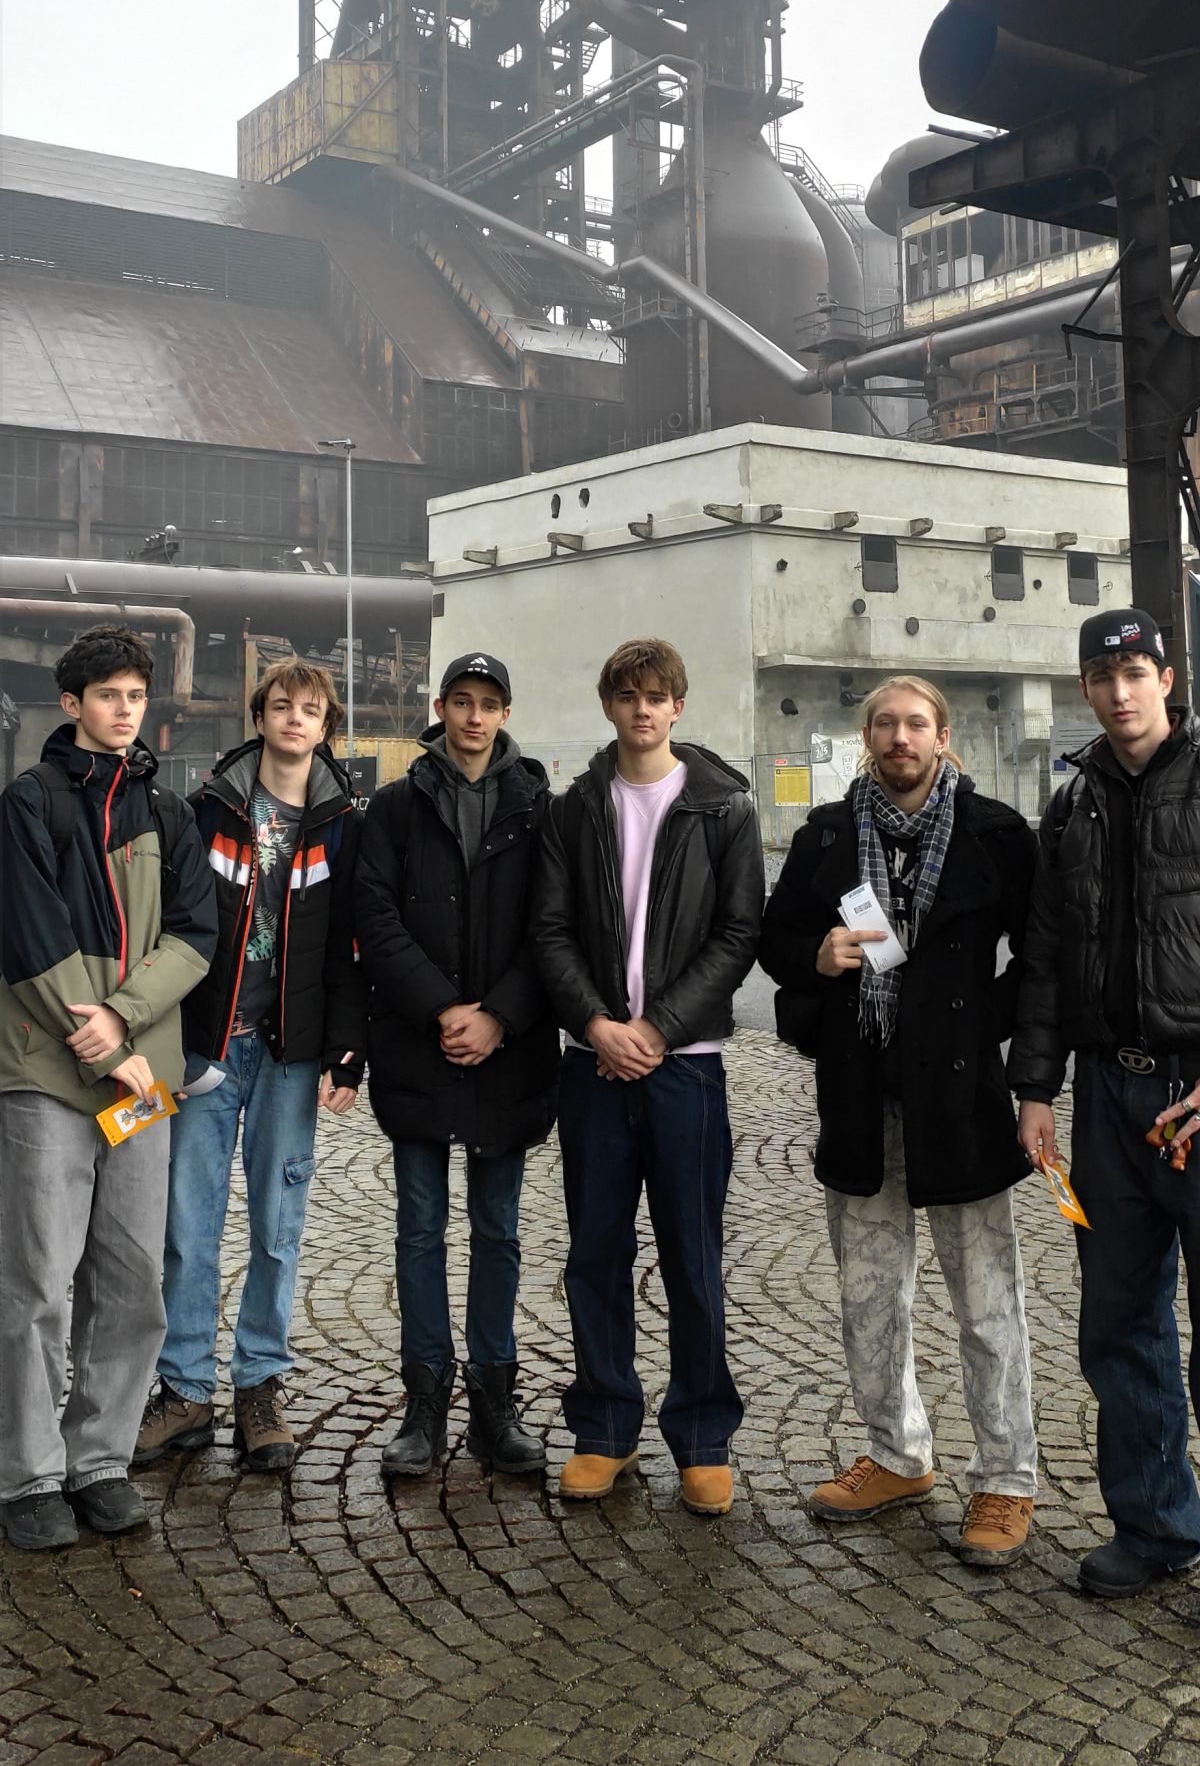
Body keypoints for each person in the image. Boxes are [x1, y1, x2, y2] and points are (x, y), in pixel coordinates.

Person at [759, 675, 1039, 1567]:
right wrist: (816, 955)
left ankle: (1007, 1475)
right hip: (861, 1095)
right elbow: (775, 939)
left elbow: (1041, 958)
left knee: (987, 1302)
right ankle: (897, 1454)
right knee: (870, 1297)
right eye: (884, 723)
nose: (900, 737)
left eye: (916, 723)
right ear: (867, 736)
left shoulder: (997, 833)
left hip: (960, 1101)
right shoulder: (828, 833)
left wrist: (977, 1022)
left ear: (943, 736)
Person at [533, 637, 764, 1517]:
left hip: (686, 1068)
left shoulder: (723, 808)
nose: (642, 709)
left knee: (692, 1256)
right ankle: (605, 1427)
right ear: (609, 705)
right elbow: (549, 929)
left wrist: (659, 1028)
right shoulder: (574, 808)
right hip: (592, 1064)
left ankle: (703, 1437)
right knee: (595, 1251)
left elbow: (738, 933)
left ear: (677, 707)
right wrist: (597, 1024)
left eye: (655, 696)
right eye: (627, 695)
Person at [0, 626, 216, 1549]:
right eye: (108, 694)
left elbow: (197, 933)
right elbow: (26, 933)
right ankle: (26, 1474)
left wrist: (125, 1020)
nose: (125, 709)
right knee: (38, 1281)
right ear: (73, 702)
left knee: (131, 1279)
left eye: (135, 694)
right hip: (46, 1072)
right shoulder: (27, 801)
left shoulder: (167, 811)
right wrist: (97, 1037)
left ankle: (99, 1460)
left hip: (139, 1071)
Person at [134, 659, 365, 1475]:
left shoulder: (343, 824)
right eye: (282, 704)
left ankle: (259, 1386)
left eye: (311, 708)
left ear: (326, 725)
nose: (295, 718)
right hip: (207, 1048)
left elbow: (350, 946)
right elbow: (174, 926)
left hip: (289, 1053)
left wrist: (347, 1052)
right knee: (187, 1224)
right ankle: (185, 1389)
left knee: (277, 1227)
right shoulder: (209, 807)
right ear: (260, 715)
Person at [1010, 607, 1200, 1597]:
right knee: (1119, 1322)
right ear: (1085, 687)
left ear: (1167, 678)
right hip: (1107, 1097)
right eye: (1102, 675)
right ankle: (1157, 1526)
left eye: (1135, 671)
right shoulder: (1071, 803)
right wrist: (1035, 1088)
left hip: (1196, 1093)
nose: (1119, 691)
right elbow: (1045, 957)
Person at [356, 654, 558, 1479]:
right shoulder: (395, 806)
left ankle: (494, 1401)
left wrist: (499, 1014)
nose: (475, 717)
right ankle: (425, 1401)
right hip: (419, 1045)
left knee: (498, 1229)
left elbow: (554, 925)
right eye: (463, 702)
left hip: (508, 1053)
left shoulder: (539, 808)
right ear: (440, 707)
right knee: (419, 1228)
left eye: (489, 703)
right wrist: (444, 1008)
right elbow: (375, 916)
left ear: (506, 712)